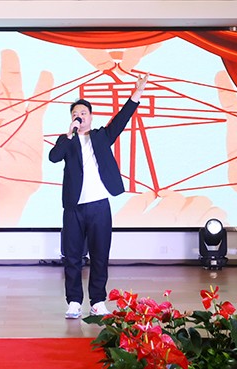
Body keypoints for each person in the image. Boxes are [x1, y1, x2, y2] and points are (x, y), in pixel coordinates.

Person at [49, 74, 148, 319]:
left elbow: (121, 120)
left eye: (83, 113)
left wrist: (136, 94)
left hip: (99, 206)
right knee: (73, 257)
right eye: (75, 114)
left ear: (91, 117)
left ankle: (97, 301)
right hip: (74, 207)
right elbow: (53, 157)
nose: (79, 116)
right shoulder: (66, 141)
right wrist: (69, 135)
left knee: (100, 255)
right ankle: (74, 302)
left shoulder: (101, 136)